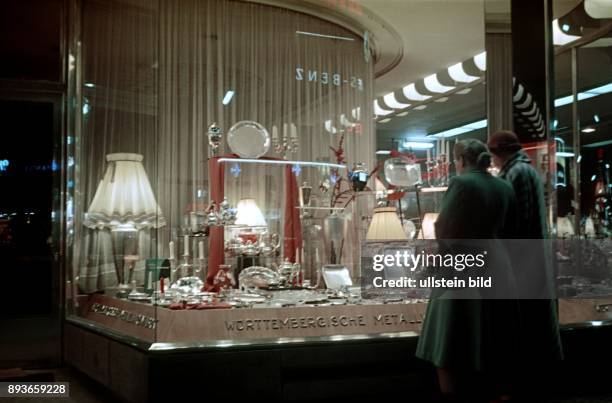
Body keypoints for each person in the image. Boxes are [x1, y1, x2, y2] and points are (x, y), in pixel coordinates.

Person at [416, 139, 520, 402]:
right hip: (498, 263)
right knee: (494, 331)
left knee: (452, 333)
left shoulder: (461, 183)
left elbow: (444, 227)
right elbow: (512, 229)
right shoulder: (504, 186)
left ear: (460, 160)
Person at [487, 130, 563, 399]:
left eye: (493, 155)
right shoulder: (524, 171)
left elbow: (516, 220)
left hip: (521, 258)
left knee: (524, 322)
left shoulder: (515, 174)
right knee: (536, 319)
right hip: (531, 255)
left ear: (499, 153)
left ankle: (527, 384)